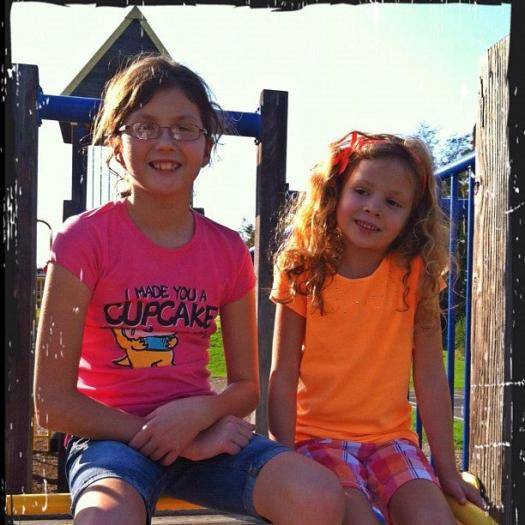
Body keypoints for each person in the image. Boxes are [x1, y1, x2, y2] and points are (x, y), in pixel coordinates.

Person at [34, 54, 346, 525]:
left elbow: (245, 387)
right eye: (144, 127)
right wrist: (167, 435)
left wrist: (199, 416)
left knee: (317, 496)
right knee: (104, 517)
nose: (166, 142)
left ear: (207, 146)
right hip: (109, 439)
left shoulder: (227, 250)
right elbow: (51, 403)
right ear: (116, 143)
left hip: (205, 433)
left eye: (184, 128)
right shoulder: (83, 240)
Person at [268, 131, 485, 525]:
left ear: (411, 217)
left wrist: (447, 470)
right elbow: (283, 372)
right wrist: (281, 459)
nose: (373, 208)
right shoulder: (303, 269)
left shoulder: (415, 275)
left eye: (392, 202)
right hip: (317, 439)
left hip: (392, 442)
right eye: (362, 191)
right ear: (335, 193)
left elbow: (430, 375)